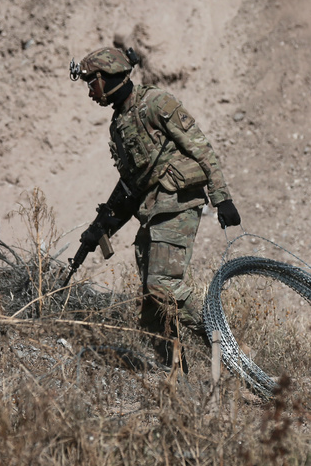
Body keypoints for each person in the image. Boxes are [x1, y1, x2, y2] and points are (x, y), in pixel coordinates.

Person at [69, 46, 241, 365]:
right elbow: (131, 187)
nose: (90, 92)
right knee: (151, 310)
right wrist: (101, 228)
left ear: (109, 76)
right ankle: (174, 377)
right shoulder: (118, 126)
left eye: (92, 83)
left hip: (177, 202)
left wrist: (222, 198)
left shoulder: (156, 103)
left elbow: (201, 148)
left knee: (163, 286)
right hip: (153, 211)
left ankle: (231, 350)